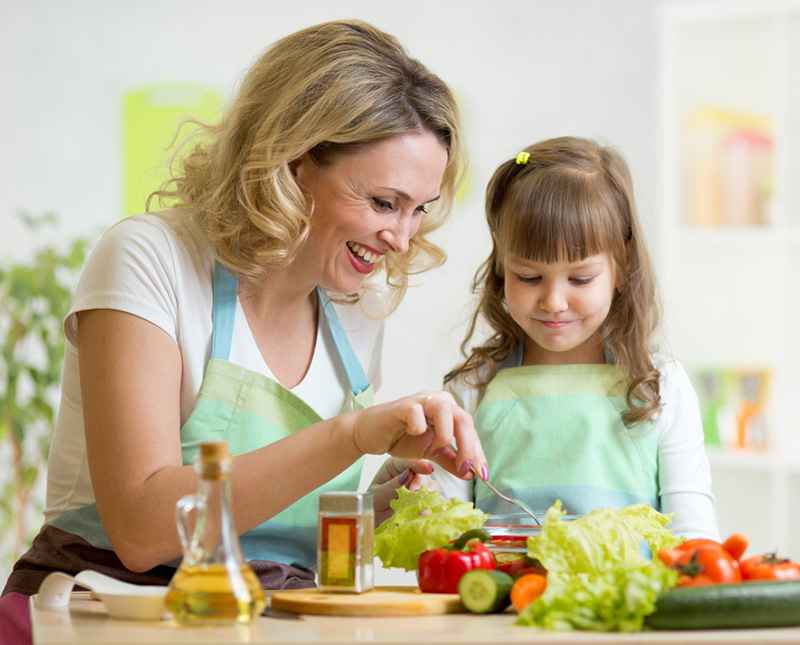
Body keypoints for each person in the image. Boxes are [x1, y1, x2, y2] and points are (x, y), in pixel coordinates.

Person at [2, 19, 487, 597]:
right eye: (384, 203)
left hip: (262, 617)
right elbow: (141, 528)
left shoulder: (355, 310)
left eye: (418, 209)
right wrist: (353, 435)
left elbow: (266, 525)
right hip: (101, 612)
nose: (402, 239)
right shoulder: (151, 259)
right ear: (294, 161)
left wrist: (377, 502)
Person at [432, 137, 719, 539]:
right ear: (500, 268)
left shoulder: (660, 386)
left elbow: (693, 533)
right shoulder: (473, 387)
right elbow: (445, 536)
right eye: (528, 277)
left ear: (621, 266)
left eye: (580, 279)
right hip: (498, 602)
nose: (553, 302)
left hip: (629, 603)